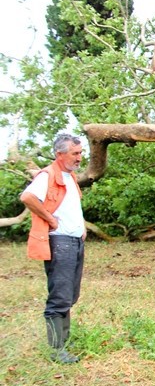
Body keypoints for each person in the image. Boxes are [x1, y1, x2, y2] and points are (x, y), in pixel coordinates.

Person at [19, 133, 86, 364]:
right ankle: (57, 349)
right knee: (59, 296)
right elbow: (27, 197)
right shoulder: (47, 175)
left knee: (70, 295)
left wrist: (82, 227)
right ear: (60, 154)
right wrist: (51, 219)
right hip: (60, 242)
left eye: (80, 152)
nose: (79, 157)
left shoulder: (70, 177)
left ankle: (64, 340)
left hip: (75, 241)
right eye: (75, 153)